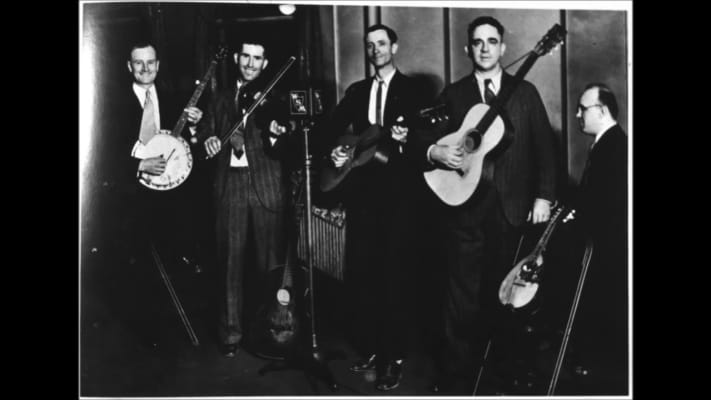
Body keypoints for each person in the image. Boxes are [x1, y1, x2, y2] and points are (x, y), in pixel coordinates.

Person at [411, 16, 559, 394]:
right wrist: (435, 150)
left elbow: (545, 148)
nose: (485, 48)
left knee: (507, 298)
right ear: (468, 49)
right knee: (460, 300)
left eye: (492, 41)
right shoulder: (454, 94)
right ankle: (457, 380)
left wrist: (543, 196)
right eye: (477, 42)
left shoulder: (525, 93)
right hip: (463, 209)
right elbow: (422, 135)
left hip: (511, 210)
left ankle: (501, 379)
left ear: (503, 48)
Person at [324, 24, 426, 391]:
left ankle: (393, 356)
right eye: (370, 45)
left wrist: (407, 138)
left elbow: (425, 138)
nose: (376, 50)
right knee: (364, 273)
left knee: (395, 276)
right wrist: (335, 151)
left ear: (394, 47)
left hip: (400, 199)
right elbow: (332, 128)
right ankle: (371, 348)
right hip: (362, 196)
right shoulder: (357, 91)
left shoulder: (414, 91)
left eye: (382, 44)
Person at [197, 38, 291, 358]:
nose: (251, 64)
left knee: (270, 265)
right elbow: (207, 132)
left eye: (257, 59)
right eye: (246, 57)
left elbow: (287, 141)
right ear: (237, 58)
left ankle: (273, 331)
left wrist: (278, 132)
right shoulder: (220, 99)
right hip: (230, 185)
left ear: (266, 64)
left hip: (266, 184)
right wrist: (209, 140)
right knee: (230, 264)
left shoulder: (276, 98)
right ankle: (231, 334)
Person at [569, 83, 628, 395]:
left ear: (602, 111)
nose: (578, 114)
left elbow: (608, 205)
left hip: (608, 248)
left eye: (583, 108)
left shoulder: (615, 146)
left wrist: (577, 218)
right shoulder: (608, 143)